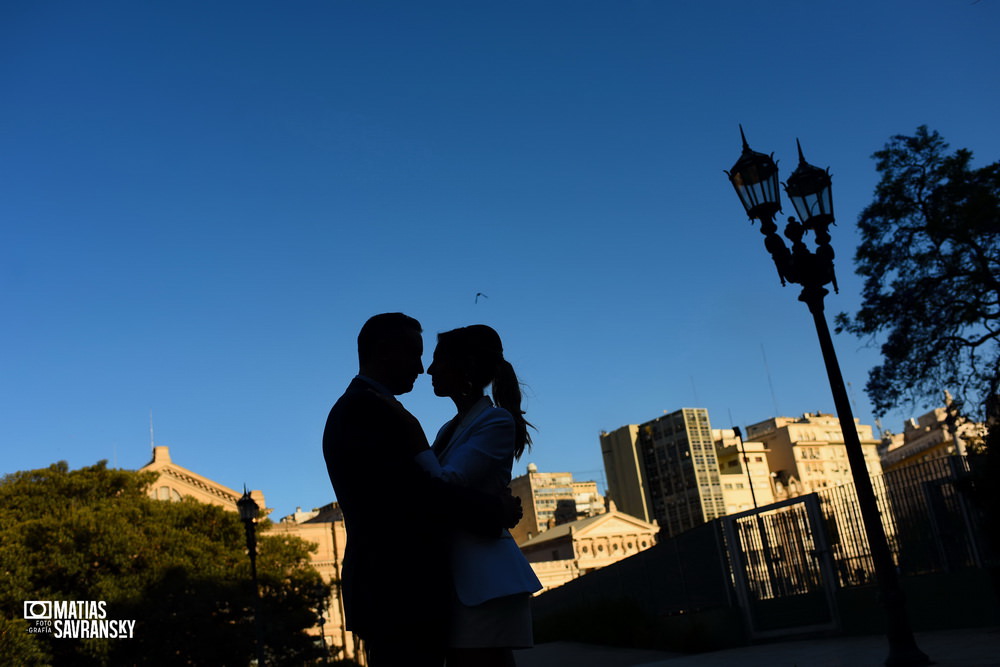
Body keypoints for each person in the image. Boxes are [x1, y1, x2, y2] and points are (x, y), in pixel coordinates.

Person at [322, 313, 522, 667]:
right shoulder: (366, 409)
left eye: (429, 357)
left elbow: (424, 489)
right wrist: (496, 511)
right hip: (399, 589)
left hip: (410, 590)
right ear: (385, 352)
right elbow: (420, 496)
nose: (422, 367)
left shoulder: (374, 408)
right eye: (415, 354)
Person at [412, 324, 543, 667]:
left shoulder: (496, 422)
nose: (430, 369)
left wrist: (408, 441)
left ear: (465, 367)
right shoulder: (449, 428)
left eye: (439, 360)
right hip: (461, 579)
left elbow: (447, 480)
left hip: (482, 582)